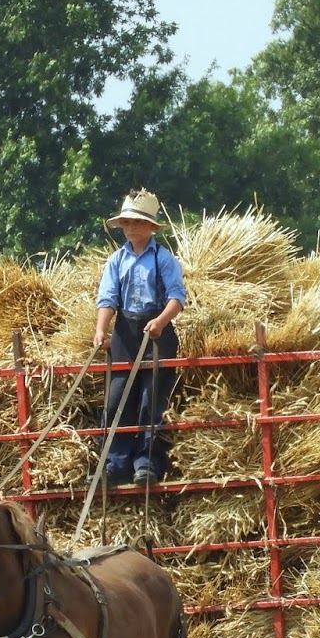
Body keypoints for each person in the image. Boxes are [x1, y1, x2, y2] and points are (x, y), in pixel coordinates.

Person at [93, 189, 187, 486]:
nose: (130, 228)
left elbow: (177, 298)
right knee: (117, 398)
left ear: (150, 226)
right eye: (126, 223)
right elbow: (107, 299)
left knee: (151, 400)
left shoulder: (164, 259)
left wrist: (159, 321)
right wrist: (101, 330)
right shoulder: (116, 261)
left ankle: (147, 462)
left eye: (135, 223)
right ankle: (115, 461)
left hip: (158, 333)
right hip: (125, 332)